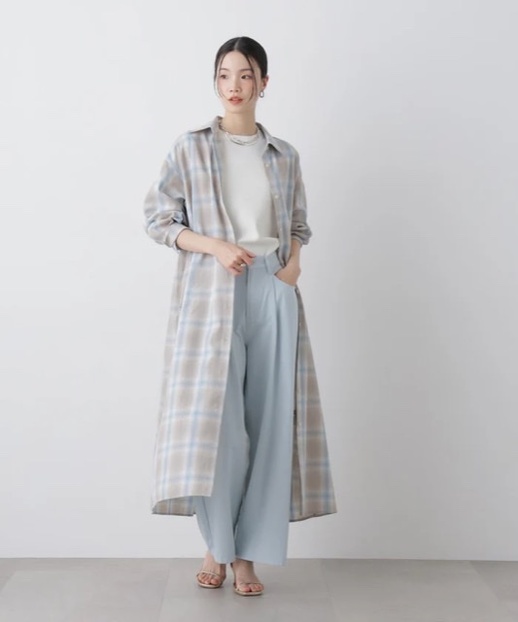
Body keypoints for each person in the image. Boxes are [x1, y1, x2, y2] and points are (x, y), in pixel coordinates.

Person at [143, 36, 337, 597]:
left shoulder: (284, 155)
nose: (234, 85)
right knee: (220, 427)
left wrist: (291, 267)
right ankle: (218, 547)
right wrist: (214, 246)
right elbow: (159, 220)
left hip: (273, 288)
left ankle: (249, 555)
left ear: (263, 83)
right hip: (213, 293)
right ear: (215, 82)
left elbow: (297, 224)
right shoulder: (191, 148)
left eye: (246, 75)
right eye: (225, 75)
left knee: (271, 424)